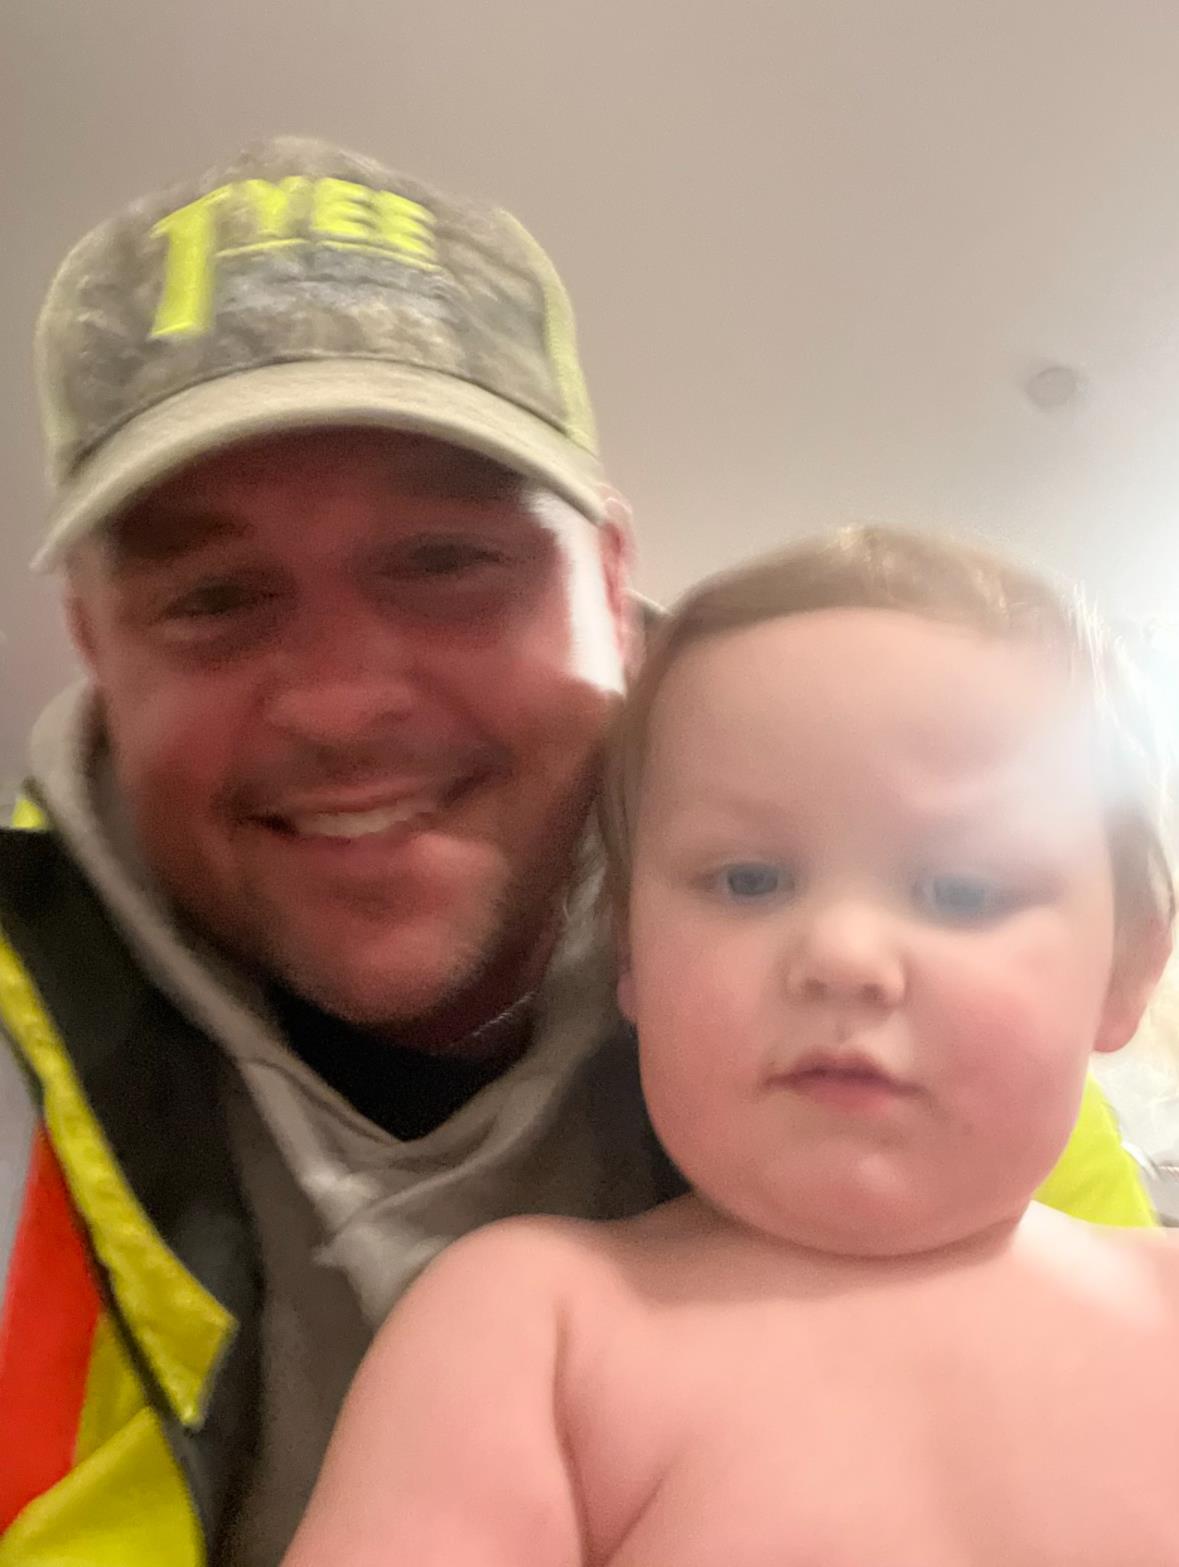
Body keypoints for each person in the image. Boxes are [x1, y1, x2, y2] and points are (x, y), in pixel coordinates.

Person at [0, 139, 1156, 1564]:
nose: (344, 697)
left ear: (608, 582)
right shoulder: (543, 1327)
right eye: (217, 593)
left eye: (444, 559)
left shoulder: (978, 1084)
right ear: (96, 644)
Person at [284, 527, 1179, 1566]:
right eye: (749, 881)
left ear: (1122, 971)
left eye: (961, 889)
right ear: (631, 955)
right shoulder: (539, 1328)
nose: (842, 955)